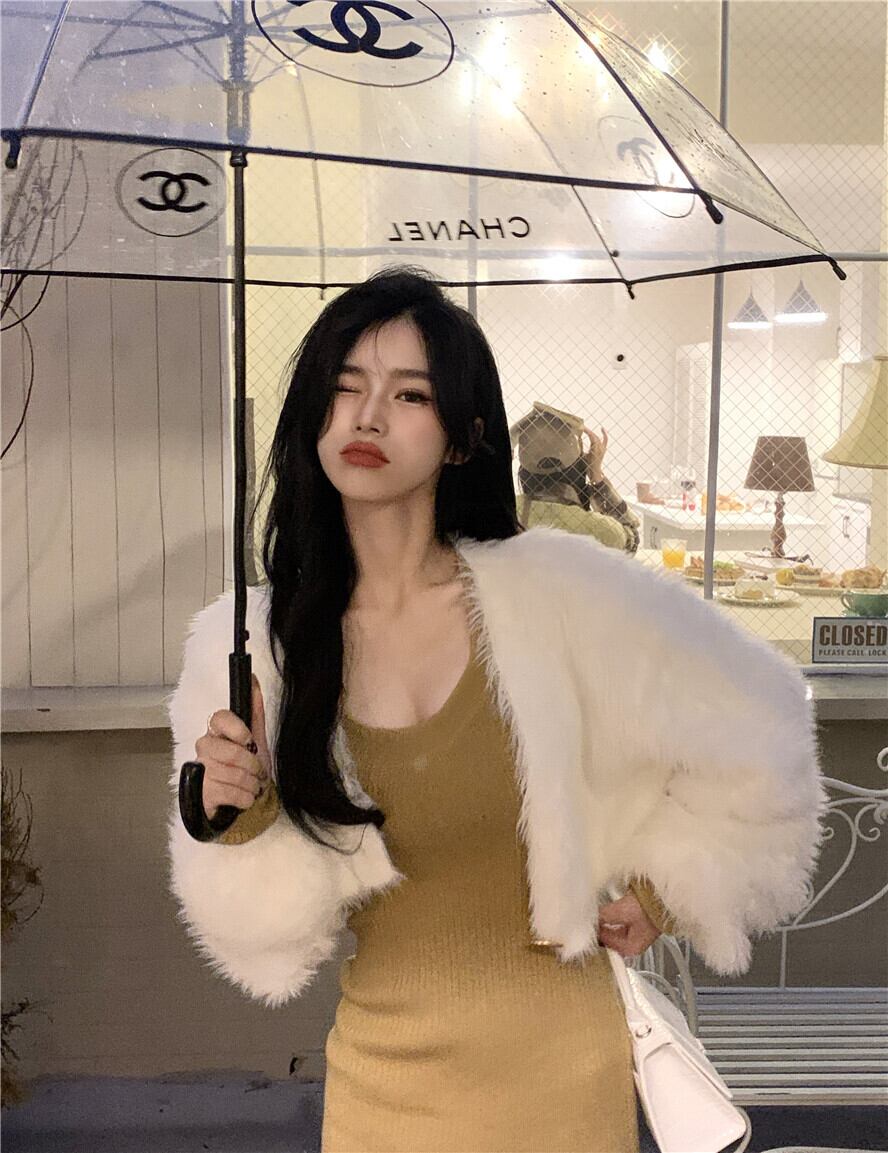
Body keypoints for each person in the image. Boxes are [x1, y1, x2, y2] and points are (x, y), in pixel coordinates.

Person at [167, 266, 825, 1153]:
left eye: (410, 394)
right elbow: (265, 943)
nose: (368, 417)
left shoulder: (558, 597)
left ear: (464, 437)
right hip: (380, 1086)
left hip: (560, 1076)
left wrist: (668, 886)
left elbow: (764, 720)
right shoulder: (254, 645)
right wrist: (238, 818)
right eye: (346, 387)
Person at [510, 401, 641, 552]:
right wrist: (596, 476)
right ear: (579, 468)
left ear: (524, 472)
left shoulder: (507, 516)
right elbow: (632, 541)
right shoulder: (602, 530)